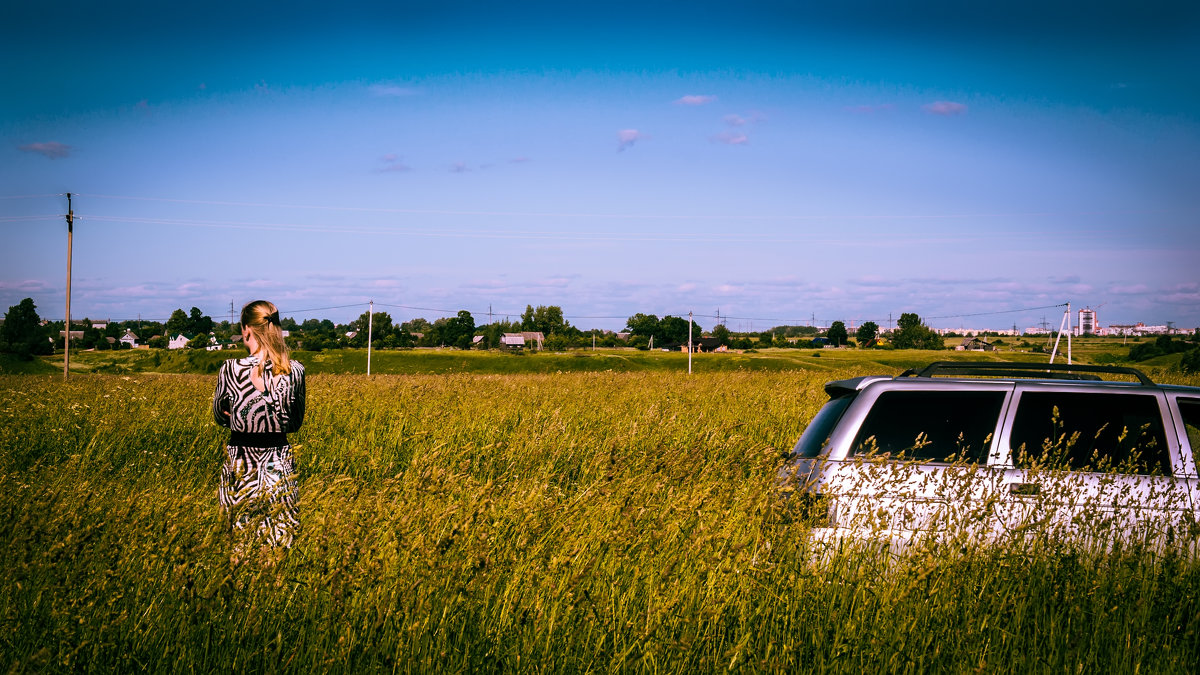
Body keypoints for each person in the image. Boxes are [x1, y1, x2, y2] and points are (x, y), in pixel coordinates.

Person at [213, 300, 306, 558]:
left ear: (246, 330)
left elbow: (219, 416)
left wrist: (240, 415)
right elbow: (295, 423)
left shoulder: (230, 370)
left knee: (238, 546)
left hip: (240, 463)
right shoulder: (295, 370)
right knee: (279, 543)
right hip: (278, 462)